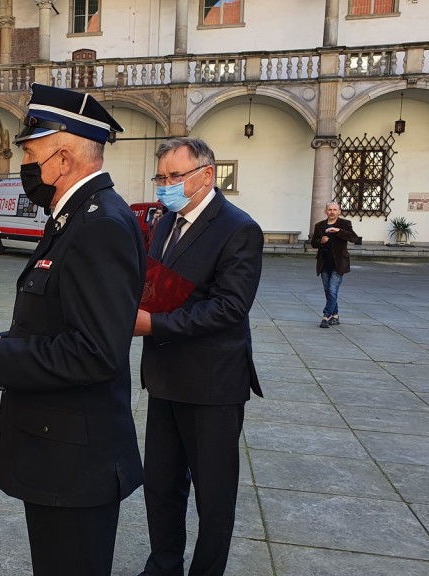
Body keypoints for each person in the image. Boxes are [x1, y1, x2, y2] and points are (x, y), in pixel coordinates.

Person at [0, 83, 146, 576]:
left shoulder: (99, 224)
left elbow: (96, 351)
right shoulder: (75, 217)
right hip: (61, 452)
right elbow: (59, 320)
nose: (27, 165)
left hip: (77, 461)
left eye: (32, 152)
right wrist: (4, 341)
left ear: (62, 157)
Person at [133, 137, 263, 576]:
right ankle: (163, 565)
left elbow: (230, 308)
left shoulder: (238, 228)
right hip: (165, 378)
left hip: (212, 385)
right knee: (162, 487)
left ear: (207, 175)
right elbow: (157, 287)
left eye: (175, 177)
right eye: (161, 177)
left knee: (214, 494)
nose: (166, 186)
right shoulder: (166, 222)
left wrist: (154, 324)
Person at [310, 201, 359, 328]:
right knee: (328, 291)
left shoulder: (344, 224)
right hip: (324, 262)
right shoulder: (320, 225)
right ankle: (335, 316)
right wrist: (321, 240)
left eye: (334, 210)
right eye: (330, 210)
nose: (332, 212)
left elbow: (354, 238)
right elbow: (313, 243)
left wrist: (338, 230)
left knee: (332, 290)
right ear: (326, 212)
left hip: (339, 263)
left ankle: (326, 317)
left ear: (339, 211)